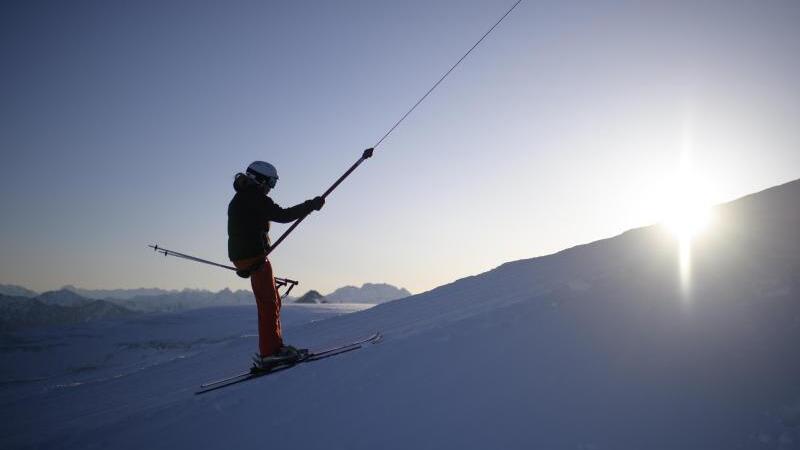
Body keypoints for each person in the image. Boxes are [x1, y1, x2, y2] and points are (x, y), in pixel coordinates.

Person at [227, 161, 324, 367]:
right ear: (260, 179)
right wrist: (311, 205)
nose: (271, 187)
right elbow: (283, 215)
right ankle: (270, 352)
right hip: (255, 258)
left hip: (249, 257)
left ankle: (275, 347)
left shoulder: (243, 196)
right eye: (271, 182)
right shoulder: (253, 196)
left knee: (272, 301)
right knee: (269, 304)